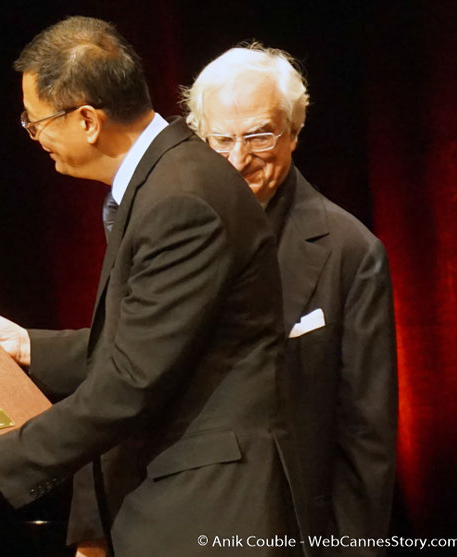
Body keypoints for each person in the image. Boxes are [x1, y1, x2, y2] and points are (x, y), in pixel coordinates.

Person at [0, 17, 299, 556]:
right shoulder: (166, 179)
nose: (35, 137)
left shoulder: (180, 199)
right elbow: (147, 342)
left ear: (88, 120)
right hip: (178, 498)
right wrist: (26, 346)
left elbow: (132, 380)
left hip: (205, 507)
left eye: (36, 123)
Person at [183, 44, 397, 554]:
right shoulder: (166, 230)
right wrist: (92, 533)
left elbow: (365, 434)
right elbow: (119, 378)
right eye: (222, 139)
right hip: (169, 523)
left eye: (259, 135)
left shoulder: (350, 250)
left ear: (294, 132)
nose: (239, 158)